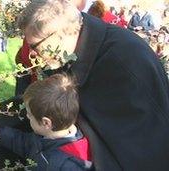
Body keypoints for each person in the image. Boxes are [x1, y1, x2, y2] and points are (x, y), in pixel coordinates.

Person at [19, 0, 169, 170]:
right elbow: (46, 102)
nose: (32, 54)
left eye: (34, 46)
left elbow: (146, 145)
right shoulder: (69, 53)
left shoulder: (125, 59)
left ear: (58, 35)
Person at [0, 74, 93, 170]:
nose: (27, 117)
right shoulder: (50, 136)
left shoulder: (69, 164)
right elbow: (27, 144)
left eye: (29, 115)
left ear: (46, 123)